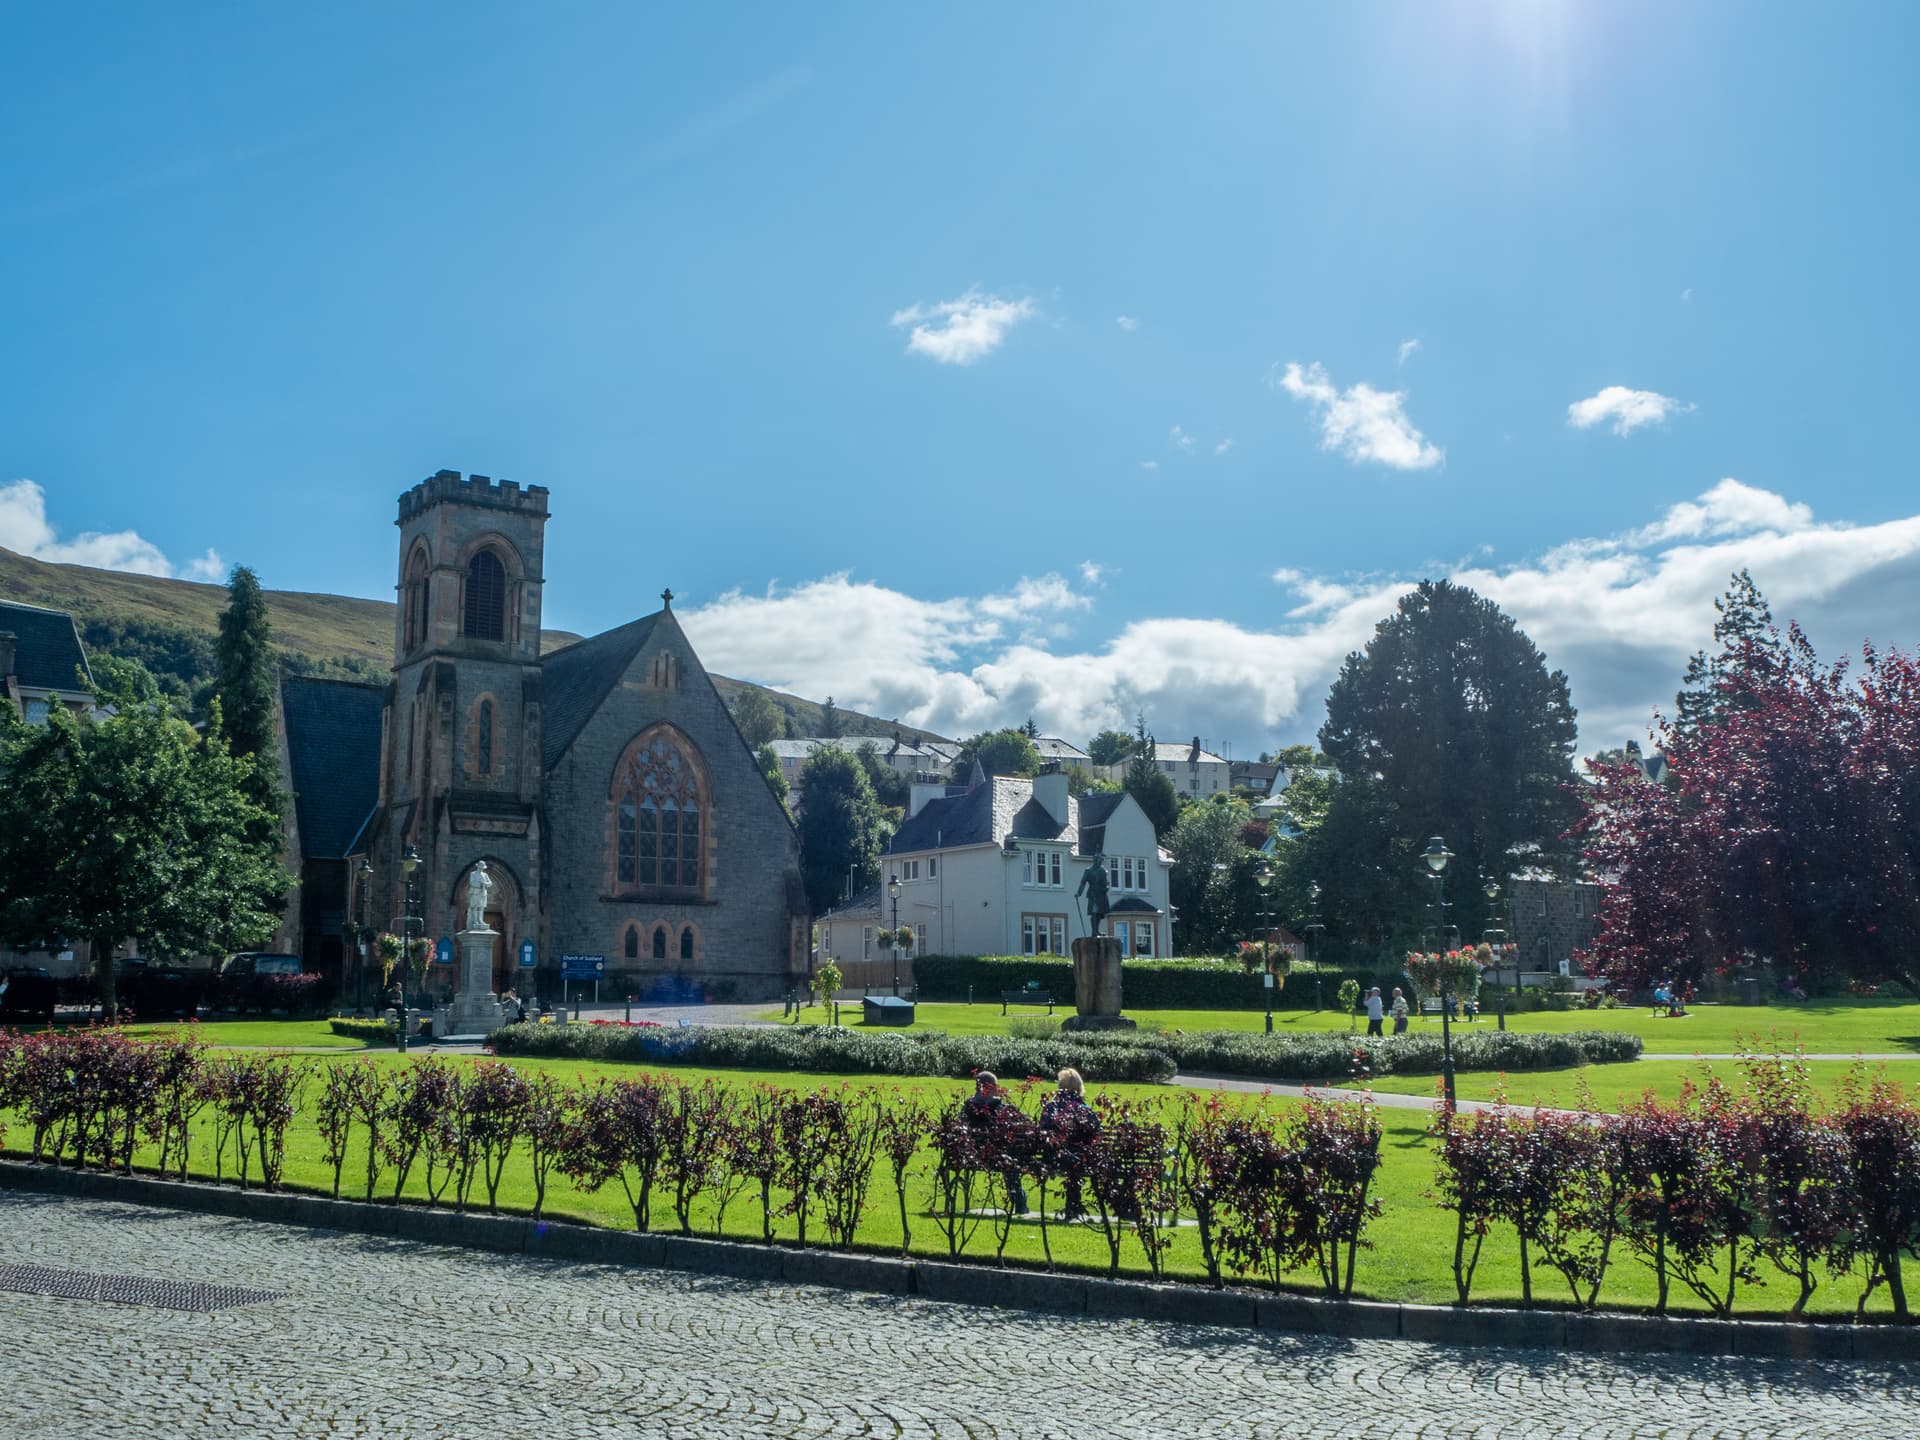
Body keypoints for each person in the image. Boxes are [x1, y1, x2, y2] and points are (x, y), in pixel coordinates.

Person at [962, 1072, 1029, 1215]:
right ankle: (1019, 1202)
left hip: (971, 1157)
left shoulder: (967, 1108)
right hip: (1000, 1157)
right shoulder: (1002, 1109)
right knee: (1010, 1162)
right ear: (995, 1087)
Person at [1039, 1068, 1100, 1219]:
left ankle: (1072, 1209)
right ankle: (1073, 1208)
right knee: (1077, 1161)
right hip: (1078, 1160)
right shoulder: (1084, 1110)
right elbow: (1097, 1134)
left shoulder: (1050, 1108)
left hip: (1052, 1159)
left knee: (1073, 1160)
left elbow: (1042, 1131)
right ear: (1079, 1087)